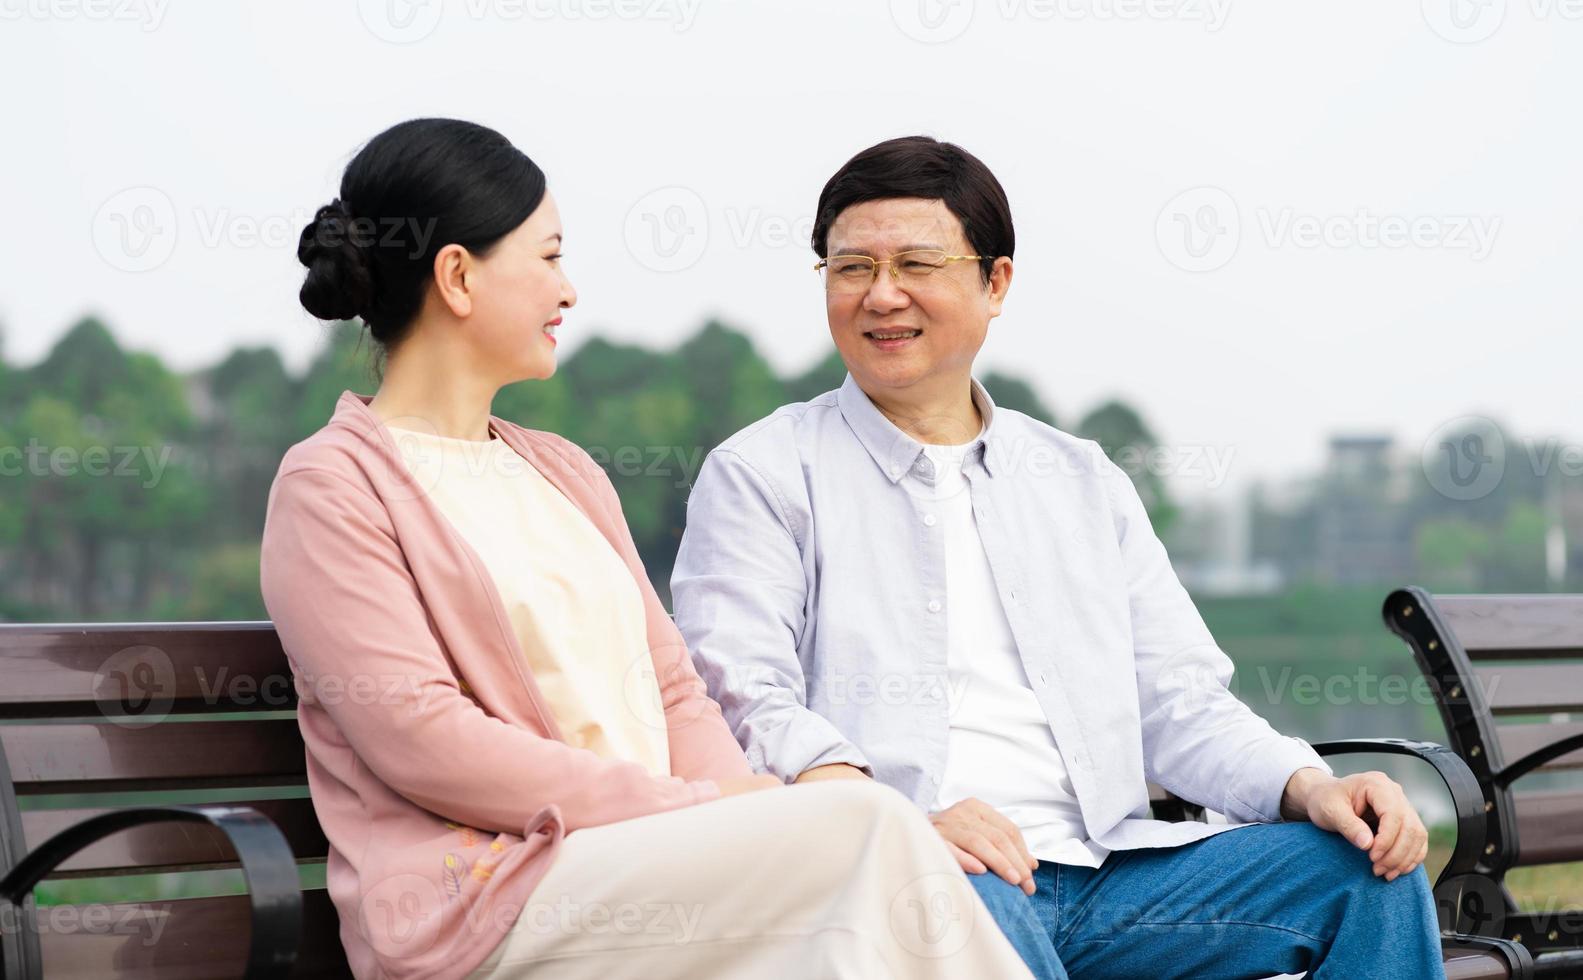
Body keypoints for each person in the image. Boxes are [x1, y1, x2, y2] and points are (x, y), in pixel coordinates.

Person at [260, 118, 1033, 980]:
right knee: (872, 826)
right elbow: (424, 739)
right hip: (492, 903)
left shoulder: (563, 472)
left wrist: (727, 811)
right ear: (457, 276)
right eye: (549, 257)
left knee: (873, 851)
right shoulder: (332, 486)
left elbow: (673, 693)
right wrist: (695, 809)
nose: (569, 290)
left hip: (660, 865)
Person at [671, 135, 1447, 979]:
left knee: (1363, 875)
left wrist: (1308, 785)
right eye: (849, 266)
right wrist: (898, 819)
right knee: (960, 903)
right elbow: (742, 701)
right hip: (916, 871)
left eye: (915, 264)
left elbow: (1178, 699)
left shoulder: (1079, 480)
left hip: (1112, 876)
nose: (880, 295)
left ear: (994, 280)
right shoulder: (764, 473)